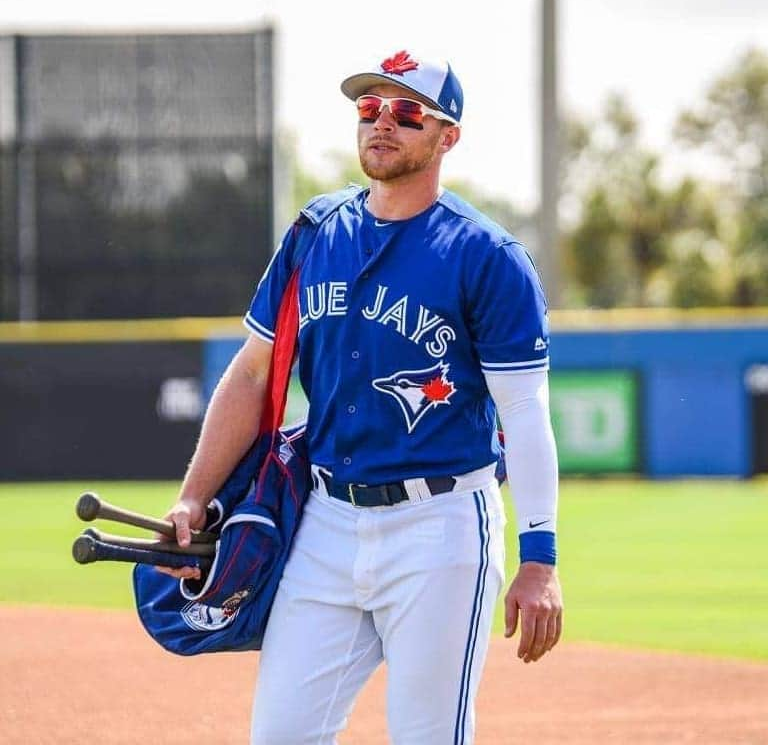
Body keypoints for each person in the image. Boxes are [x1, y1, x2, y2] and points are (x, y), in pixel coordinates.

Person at [160, 49, 563, 745]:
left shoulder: (486, 256)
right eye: (369, 109)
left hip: (439, 528)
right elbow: (254, 373)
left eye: (408, 113)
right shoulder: (316, 234)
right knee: (282, 736)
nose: (382, 123)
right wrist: (194, 496)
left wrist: (540, 558)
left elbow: (524, 413)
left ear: (447, 137)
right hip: (326, 522)